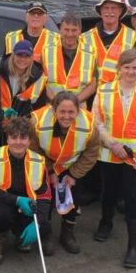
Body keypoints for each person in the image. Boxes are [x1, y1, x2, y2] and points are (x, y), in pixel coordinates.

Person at [92, 49, 136, 268]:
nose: (131, 71)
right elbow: (97, 122)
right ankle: (106, 221)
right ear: (119, 68)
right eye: (127, 67)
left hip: (135, 158)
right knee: (108, 192)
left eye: (135, 67)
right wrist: (112, 144)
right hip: (109, 153)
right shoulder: (103, 91)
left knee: (132, 198)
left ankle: (133, 247)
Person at [32, 91, 101, 254]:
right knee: (44, 198)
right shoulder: (37, 120)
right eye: (62, 111)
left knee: (73, 199)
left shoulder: (90, 123)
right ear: (54, 110)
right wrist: (49, 171)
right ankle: (45, 234)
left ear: (78, 111)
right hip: (46, 163)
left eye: (71, 112)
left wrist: (74, 175)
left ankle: (67, 233)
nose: (66, 116)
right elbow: (33, 149)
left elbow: (92, 152)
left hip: (73, 164)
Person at [0, 115, 53, 264]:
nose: (18, 142)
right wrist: (17, 200)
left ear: (29, 140)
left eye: (23, 137)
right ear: (7, 139)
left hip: (27, 203)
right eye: (14, 137)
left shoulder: (39, 160)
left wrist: (37, 223)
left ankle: (22, 235)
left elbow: (45, 196)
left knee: (44, 224)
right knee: (1, 215)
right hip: (1, 200)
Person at [0, 40, 47, 136]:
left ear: (32, 58)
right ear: (13, 55)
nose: (22, 59)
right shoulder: (0, 73)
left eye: (27, 56)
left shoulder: (38, 78)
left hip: (22, 130)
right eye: (19, 55)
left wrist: (21, 125)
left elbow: (38, 109)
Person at [81, 0, 136, 86]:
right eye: (106, 8)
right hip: (92, 93)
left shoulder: (132, 35)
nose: (109, 12)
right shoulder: (85, 37)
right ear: (100, 11)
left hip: (120, 91)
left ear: (120, 11)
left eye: (113, 8)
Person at [41, 12, 97, 102]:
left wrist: (74, 103)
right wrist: (56, 102)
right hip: (52, 106)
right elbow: (41, 82)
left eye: (74, 30)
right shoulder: (46, 51)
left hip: (79, 107)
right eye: (66, 29)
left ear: (80, 30)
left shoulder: (90, 53)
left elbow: (92, 85)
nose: (70, 34)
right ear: (60, 29)